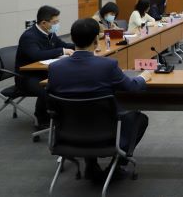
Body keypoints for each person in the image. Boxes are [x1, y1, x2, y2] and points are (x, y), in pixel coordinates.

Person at [47, 18, 151, 182]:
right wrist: (144, 77)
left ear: (72, 39)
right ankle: (117, 166)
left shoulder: (55, 68)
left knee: (84, 113)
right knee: (139, 119)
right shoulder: (107, 65)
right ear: (97, 40)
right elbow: (131, 87)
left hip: (68, 133)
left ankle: (91, 164)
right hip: (106, 134)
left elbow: (50, 99)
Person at [15, 5, 75, 128]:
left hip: (43, 72)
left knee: (64, 82)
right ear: (43, 23)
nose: (57, 24)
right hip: (27, 77)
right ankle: (42, 119)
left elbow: (63, 45)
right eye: (55, 22)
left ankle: (59, 114)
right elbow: (36, 55)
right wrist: (61, 51)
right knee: (48, 88)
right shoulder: (29, 37)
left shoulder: (49, 33)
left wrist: (81, 45)